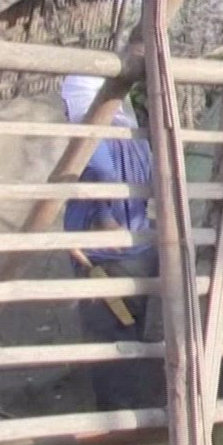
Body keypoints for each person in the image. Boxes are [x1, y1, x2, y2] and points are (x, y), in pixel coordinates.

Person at [60, 74, 161, 411]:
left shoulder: (92, 139)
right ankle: (134, 404)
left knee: (107, 338)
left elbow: (101, 173)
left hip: (103, 258)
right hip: (140, 250)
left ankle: (117, 415)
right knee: (129, 327)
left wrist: (104, 215)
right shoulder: (135, 138)